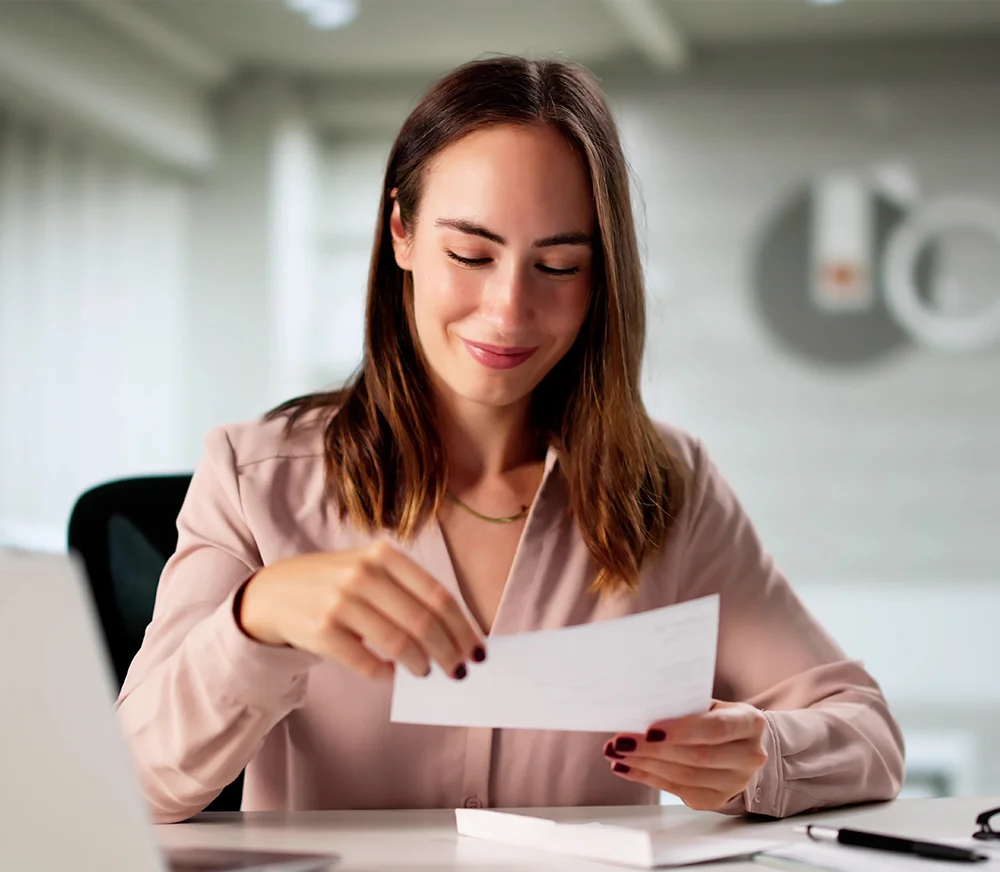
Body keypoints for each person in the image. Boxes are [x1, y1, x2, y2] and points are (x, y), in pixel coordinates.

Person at [116, 56, 904, 825]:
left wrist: (765, 753)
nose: (508, 310)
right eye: (471, 254)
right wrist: (257, 617)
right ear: (402, 233)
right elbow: (136, 785)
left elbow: (866, 732)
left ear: (600, 281)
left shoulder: (669, 486)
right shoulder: (254, 478)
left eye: (558, 266)